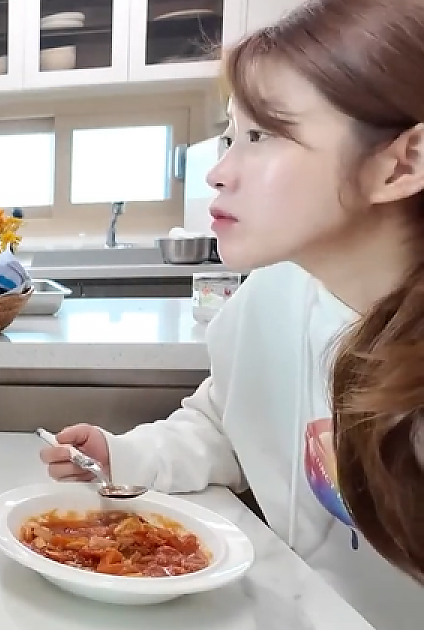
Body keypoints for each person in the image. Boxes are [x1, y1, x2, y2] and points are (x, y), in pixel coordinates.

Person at [40, 0, 424, 627]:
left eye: (261, 135)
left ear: (402, 162)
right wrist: (123, 455)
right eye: (230, 136)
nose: (218, 172)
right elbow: (225, 424)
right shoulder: (270, 299)